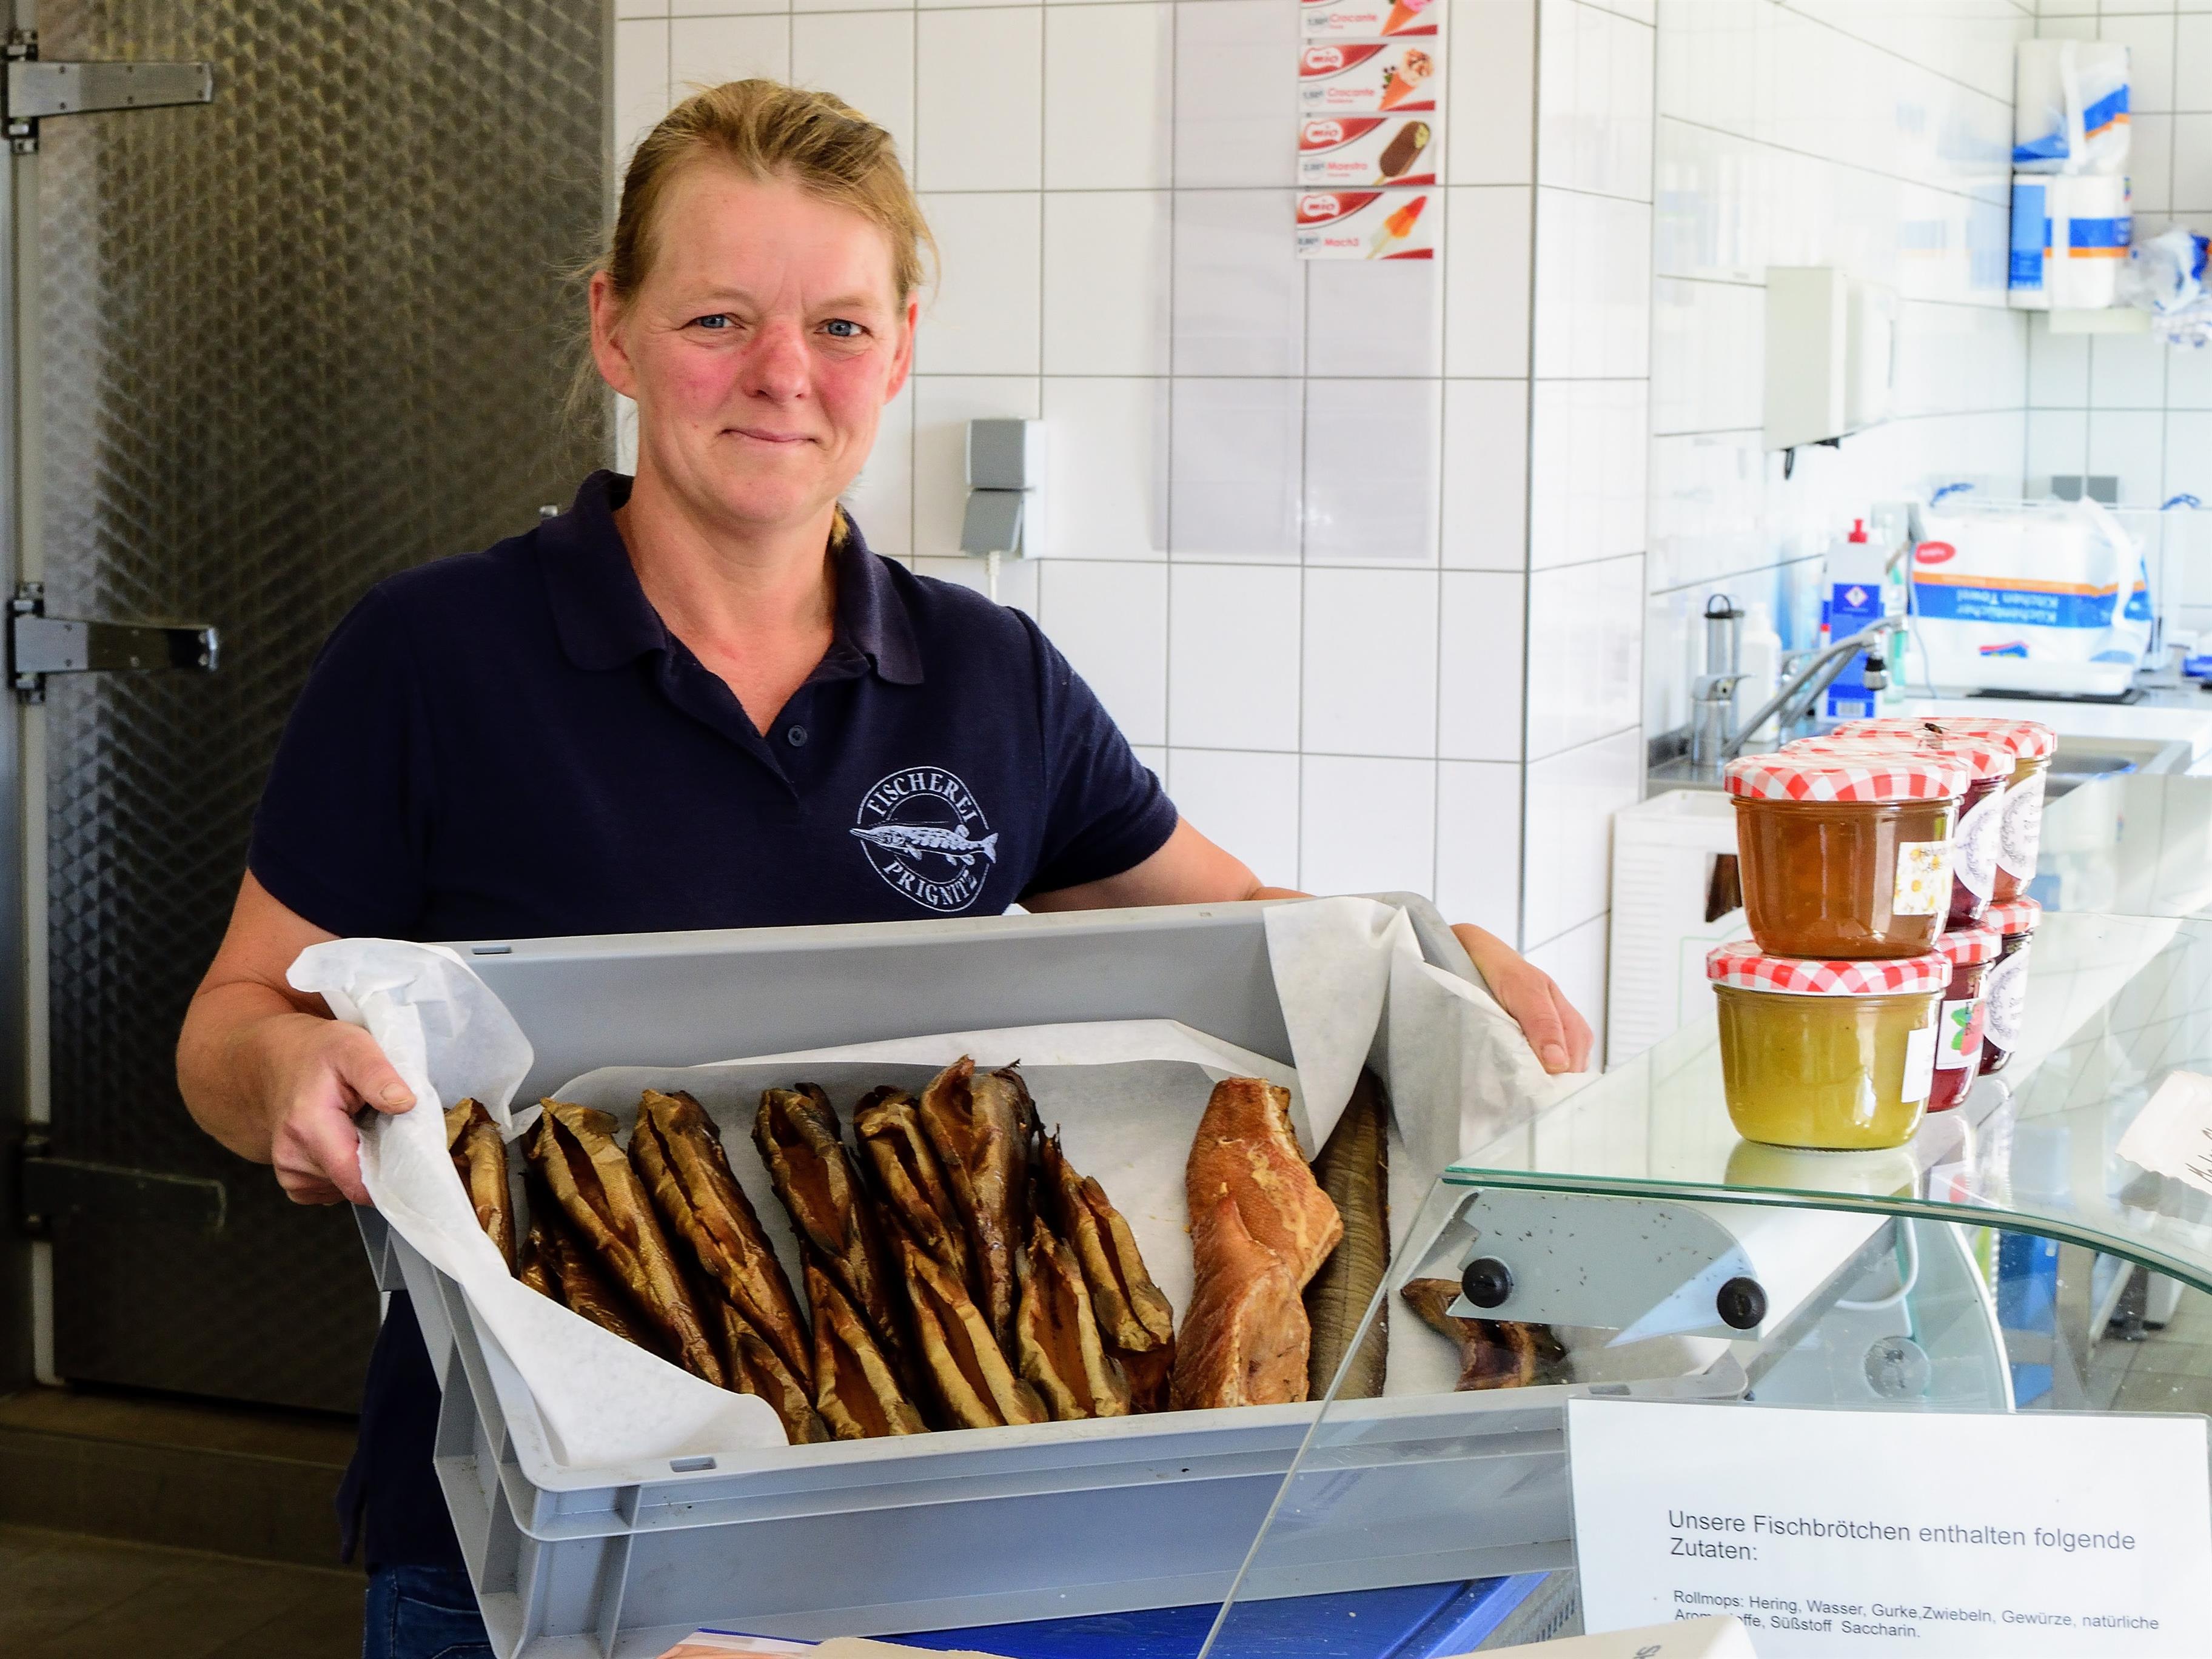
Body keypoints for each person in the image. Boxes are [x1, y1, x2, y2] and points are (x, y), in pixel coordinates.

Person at [175, 79, 1592, 1658]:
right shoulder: (434, 659)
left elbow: (1260, 939)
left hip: (918, 1540)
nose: (784, 373)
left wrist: (1433, 953)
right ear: (614, 328)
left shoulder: (990, 677)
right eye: (719, 317)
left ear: (901, 351)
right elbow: (228, 1026)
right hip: (530, 1543)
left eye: (840, 326)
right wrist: (285, 1071)